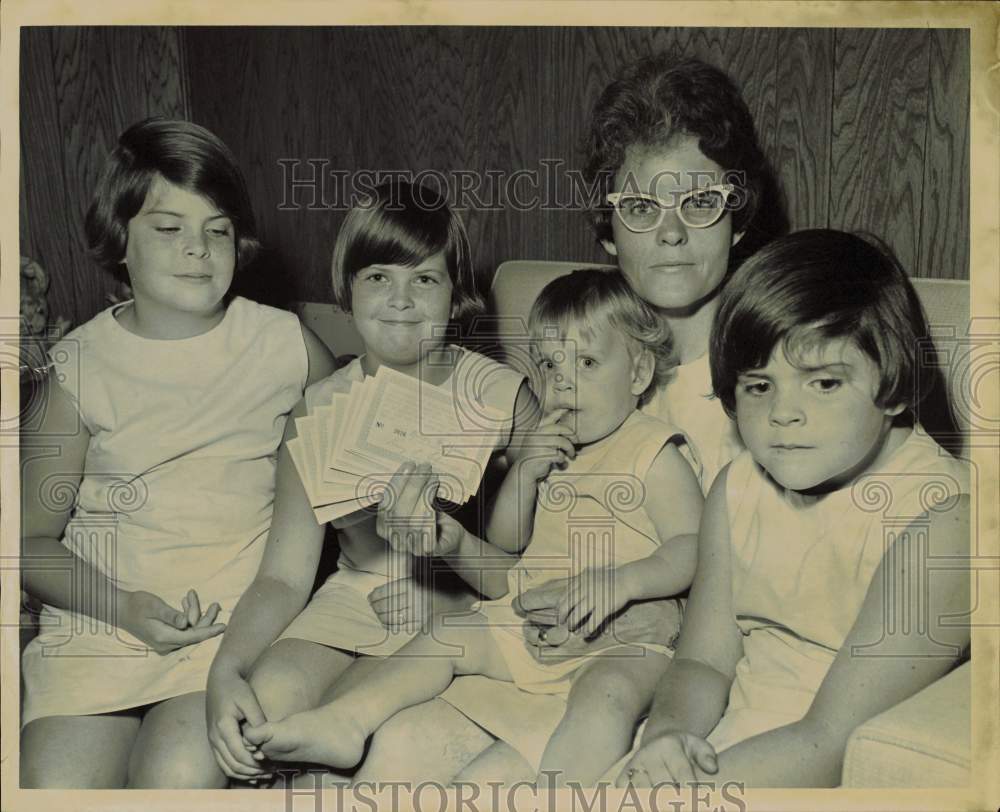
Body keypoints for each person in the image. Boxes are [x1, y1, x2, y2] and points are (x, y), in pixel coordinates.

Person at [353, 52, 776, 786]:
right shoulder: (571, 347)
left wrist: (665, 616)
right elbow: (522, 552)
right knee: (395, 751)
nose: (671, 233)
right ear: (608, 230)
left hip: (669, 676)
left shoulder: (781, 359)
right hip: (546, 644)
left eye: (701, 201)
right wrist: (440, 541)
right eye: (641, 209)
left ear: (739, 216)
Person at [241, 269, 704, 787]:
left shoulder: (653, 450)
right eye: (550, 366)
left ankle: (560, 789)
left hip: (624, 641)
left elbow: (693, 546)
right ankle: (347, 721)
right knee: (446, 635)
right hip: (531, 621)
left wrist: (626, 581)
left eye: (589, 363)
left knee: (606, 698)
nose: (564, 383)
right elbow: (509, 549)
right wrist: (527, 470)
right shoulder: (554, 450)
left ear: (639, 373)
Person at [19, 118, 335, 788]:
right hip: (98, 627)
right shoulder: (76, 369)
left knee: (177, 778)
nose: (198, 249)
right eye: (168, 229)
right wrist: (121, 606)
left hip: (226, 636)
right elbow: (29, 542)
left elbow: (354, 455)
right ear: (119, 240)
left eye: (217, 229)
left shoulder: (287, 346)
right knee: (53, 787)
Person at [205, 179, 537, 784]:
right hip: (350, 602)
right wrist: (227, 670)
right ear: (348, 288)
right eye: (379, 276)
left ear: (455, 294)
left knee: (347, 753)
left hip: (461, 610)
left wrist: (458, 592)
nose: (401, 300)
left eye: (425, 279)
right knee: (265, 710)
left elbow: (547, 553)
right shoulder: (320, 407)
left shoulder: (503, 397)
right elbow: (282, 576)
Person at [612, 230, 969, 788]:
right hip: (725, 752)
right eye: (758, 386)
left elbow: (830, 743)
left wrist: (687, 795)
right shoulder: (739, 486)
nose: (783, 414)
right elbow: (703, 662)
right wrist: (667, 738)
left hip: (836, 775)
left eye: (824, 382)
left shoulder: (944, 521)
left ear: (897, 383)